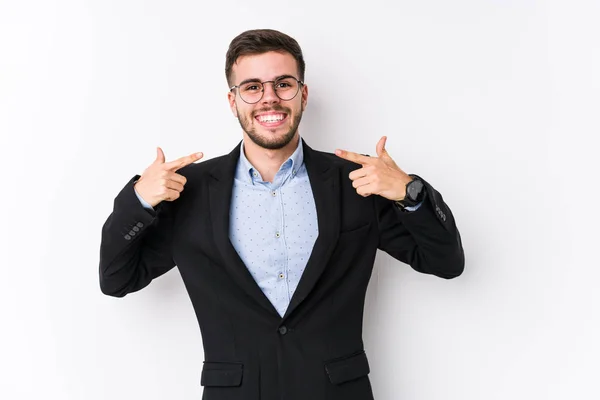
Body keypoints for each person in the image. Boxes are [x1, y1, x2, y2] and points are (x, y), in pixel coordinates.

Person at [99, 28, 464, 400]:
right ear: (233, 100)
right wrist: (139, 200)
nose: (269, 99)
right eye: (252, 87)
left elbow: (446, 261)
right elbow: (116, 279)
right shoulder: (187, 192)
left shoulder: (358, 182)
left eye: (283, 84)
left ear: (303, 94)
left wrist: (409, 192)